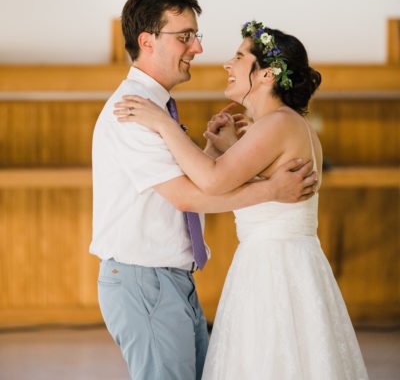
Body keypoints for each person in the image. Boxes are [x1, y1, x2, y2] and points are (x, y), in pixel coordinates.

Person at [115, 19, 369, 379]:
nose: (227, 65)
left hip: (273, 270)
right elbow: (247, 183)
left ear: (266, 75)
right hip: (289, 263)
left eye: (238, 57)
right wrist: (228, 148)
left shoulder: (277, 124)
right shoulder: (289, 124)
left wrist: (163, 124)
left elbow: (213, 181)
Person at [90, 0, 318, 380]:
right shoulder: (133, 111)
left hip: (170, 279)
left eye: (196, 36)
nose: (196, 48)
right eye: (184, 37)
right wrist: (271, 191)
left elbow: (189, 181)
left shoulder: (154, 107)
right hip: (146, 280)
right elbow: (185, 196)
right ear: (147, 41)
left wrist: (213, 153)